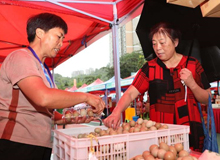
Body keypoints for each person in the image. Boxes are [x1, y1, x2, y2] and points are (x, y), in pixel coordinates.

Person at [0, 13, 105, 160]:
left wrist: (69, 119)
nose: (61, 43)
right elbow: (43, 98)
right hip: (18, 143)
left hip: (40, 143)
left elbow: (47, 111)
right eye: (58, 36)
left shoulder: (43, 69)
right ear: (40, 33)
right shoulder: (21, 57)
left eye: (63, 39)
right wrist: (86, 97)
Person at [104, 22, 211, 152]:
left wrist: (192, 84)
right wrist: (116, 113)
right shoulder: (150, 68)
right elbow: (131, 93)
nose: (158, 48)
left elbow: (207, 98)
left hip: (191, 132)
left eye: (162, 42)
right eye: (154, 43)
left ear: (175, 42)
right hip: (160, 136)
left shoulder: (193, 65)